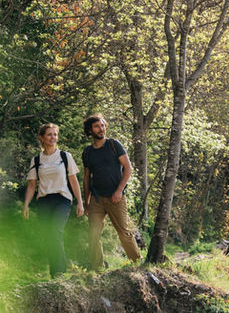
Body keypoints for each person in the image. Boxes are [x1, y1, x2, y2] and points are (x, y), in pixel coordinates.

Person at [81, 113, 142, 269]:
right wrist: (86, 201)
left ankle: (138, 265)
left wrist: (119, 191)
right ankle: (98, 268)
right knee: (93, 234)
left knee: (124, 232)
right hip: (96, 199)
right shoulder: (87, 152)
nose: (101, 129)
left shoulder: (114, 145)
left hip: (116, 197)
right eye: (97, 126)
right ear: (90, 131)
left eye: (102, 125)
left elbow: (128, 168)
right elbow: (87, 178)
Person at [23, 123, 84, 276]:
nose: (53, 137)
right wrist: (26, 205)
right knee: (48, 236)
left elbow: (73, 180)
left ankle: (59, 272)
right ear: (41, 137)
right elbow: (32, 185)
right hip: (43, 200)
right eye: (49, 134)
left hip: (62, 199)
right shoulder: (36, 160)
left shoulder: (65, 156)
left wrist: (80, 203)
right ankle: (54, 273)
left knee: (55, 232)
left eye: (55, 134)